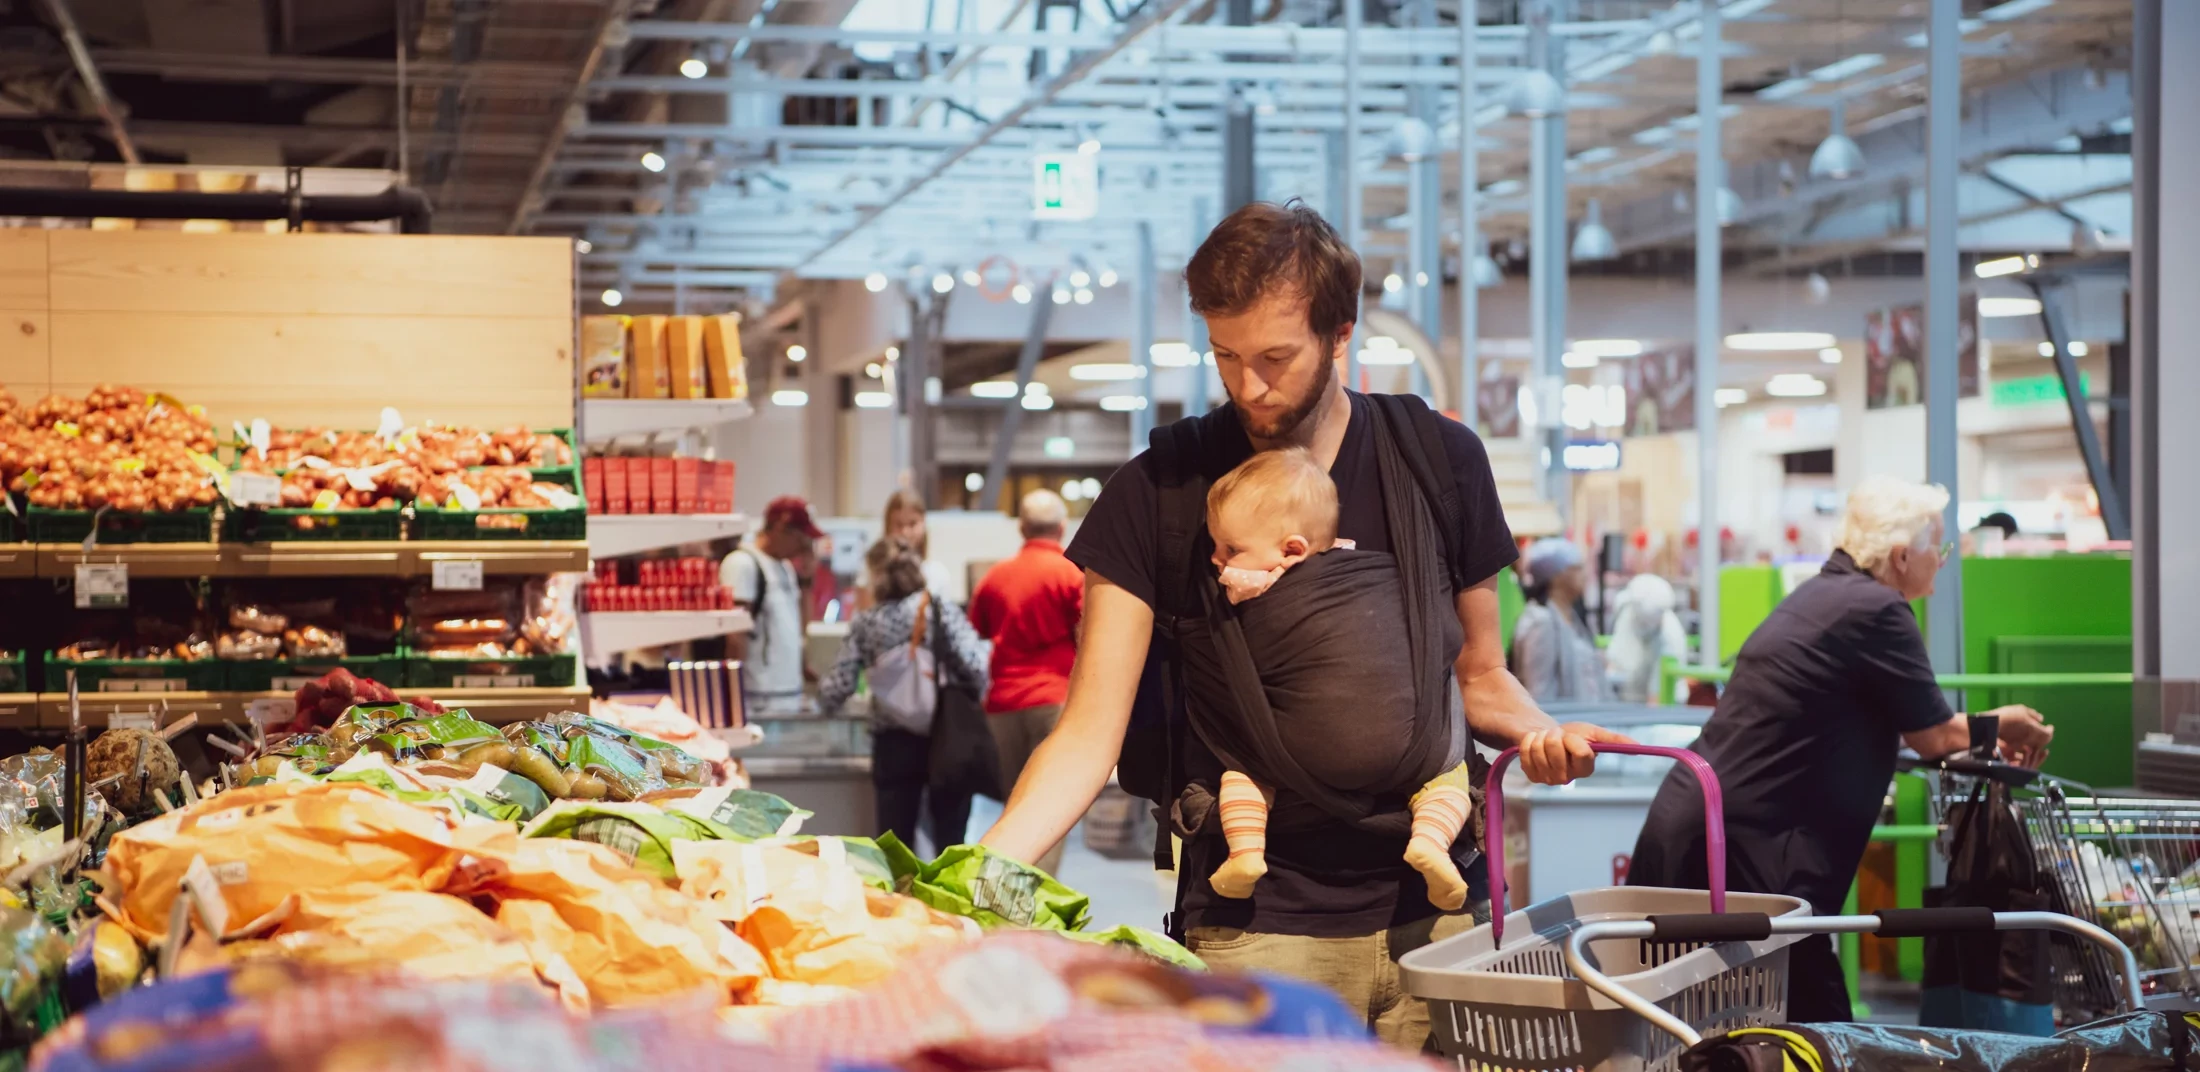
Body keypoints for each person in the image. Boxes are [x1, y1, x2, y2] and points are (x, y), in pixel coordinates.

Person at [978, 199, 1624, 1050]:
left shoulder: (1437, 462)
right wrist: (977, 878)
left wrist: (1542, 737)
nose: (1249, 387)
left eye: (1276, 358)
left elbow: (1479, 673)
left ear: (1340, 334)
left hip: (1439, 913)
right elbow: (1088, 730)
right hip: (1257, 924)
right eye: (1226, 357)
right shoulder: (1161, 493)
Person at [1627, 476, 2053, 1024]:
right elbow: (1934, 735)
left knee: (1710, 1022)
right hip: (1749, 855)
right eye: (1939, 548)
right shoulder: (1877, 610)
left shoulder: (1825, 594)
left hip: (1711, 828)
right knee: (1814, 1025)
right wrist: (2009, 725)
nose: (1944, 561)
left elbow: (1859, 720)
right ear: (1902, 556)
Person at [1198, 448, 1479, 911]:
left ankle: (1246, 851)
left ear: (1292, 551)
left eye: (1230, 549)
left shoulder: (1253, 585)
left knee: (1245, 771)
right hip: (1408, 751)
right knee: (1448, 777)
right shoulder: (1367, 565)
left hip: (1298, 755)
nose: (1216, 560)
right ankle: (1432, 840)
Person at [818, 538, 990, 854]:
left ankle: (898, 901)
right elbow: (978, 666)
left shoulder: (866, 623)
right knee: (950, 841)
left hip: (893, 743)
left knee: (895, 847)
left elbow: (835, 689)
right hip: (945, 737)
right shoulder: (939, 611)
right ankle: (944, 899)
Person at [967, 488, 1084, 875]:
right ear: (1062, 527)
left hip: (1002, 707)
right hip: (1054, 703)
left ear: (1021, 527)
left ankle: (1006, 889)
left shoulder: (996, 577)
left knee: (1014, 805)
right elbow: (1089, 636)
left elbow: (977, 630)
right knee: (1052, 802)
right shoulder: (1071, 574)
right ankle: (1037, 895)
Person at [724, 495, 819, 715]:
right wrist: (734, 700)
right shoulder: (743, 564)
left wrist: (807, 581)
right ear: (780, 529)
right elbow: (735, 637)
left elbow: (797, 627)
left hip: (787, 695)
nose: (804, 546)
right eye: (801, 538)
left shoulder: (785, 567)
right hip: (758, 700)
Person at [1510, 537, 1610, 703]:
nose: (1584, 575)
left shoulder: (1573, 619)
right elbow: (1539, 694)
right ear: (1556, 576)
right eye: (1577, 568)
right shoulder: (1540, 622)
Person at [858, 489, 953, 607]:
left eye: (912, 524)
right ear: (887, 525)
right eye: (899, 524)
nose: (905, 532)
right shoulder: (871, 572)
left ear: (923, 524)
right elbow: (864, 614)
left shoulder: (937, 574)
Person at [1603, 573, 1688, 704]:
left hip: (1662, 706)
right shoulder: (1628, 610)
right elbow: (1615, 657)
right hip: (1627, 699)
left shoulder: (1669, 638)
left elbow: (1655, 697)